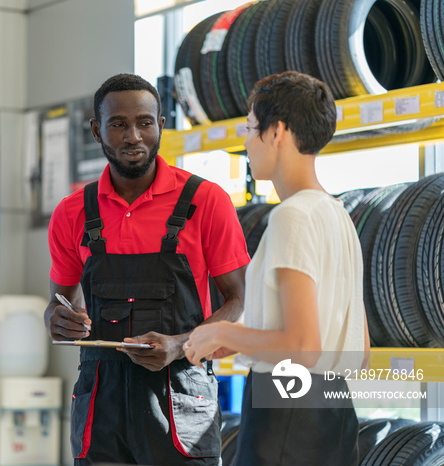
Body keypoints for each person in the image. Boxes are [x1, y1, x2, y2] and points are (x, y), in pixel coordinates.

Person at [43, 73, 250, 465]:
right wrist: (57, 319)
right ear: (96, 130)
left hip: (182, 403)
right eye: (118, 124)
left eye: (145, 122)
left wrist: (180, 344)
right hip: (99, 410)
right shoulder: (71, 213)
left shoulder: (207, 202)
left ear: (161, 125)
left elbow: (238, 300)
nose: (133, 136)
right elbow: (57, 303)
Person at [184, 71, 370, 466]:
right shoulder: (339, 217)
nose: (246, 142)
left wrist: (222, 329)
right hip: (336, 418)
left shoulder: (292, 217)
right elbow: (360, 352)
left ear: (278, 132)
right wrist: (242, 340)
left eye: (251, 128)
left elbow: (303, 347)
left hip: (284, 416)